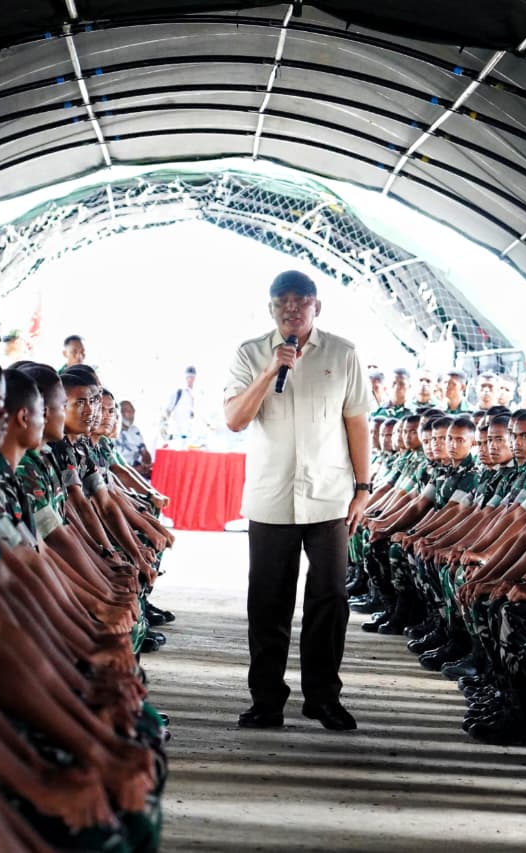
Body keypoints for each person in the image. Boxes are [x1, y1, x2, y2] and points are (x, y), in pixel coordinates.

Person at [225, 270, 376, 732]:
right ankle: (266, 700)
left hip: (330, 497)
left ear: (317, 306)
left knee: (329, 599)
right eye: (282, 303)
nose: (291, 310)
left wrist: (363, 488)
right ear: (270, 309)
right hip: (271, 497)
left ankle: (323, 697)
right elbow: (234, 419)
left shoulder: (344, 353)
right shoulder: (250, 354)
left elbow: (356, 424)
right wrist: (273, 369)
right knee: (268, 602)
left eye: (300, 302)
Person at [160, 366, 201, 443]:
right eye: (188, 377)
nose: (190, 380)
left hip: (188, 436)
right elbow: (166, 411)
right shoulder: (179, 392)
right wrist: (164, 430)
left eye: (192, 377)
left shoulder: (194, 395)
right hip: (175, 435)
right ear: (185, 378)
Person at [116, 399, 154, 478]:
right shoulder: (113, 432)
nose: (132, 414)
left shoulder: (135, 430)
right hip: (122, 472)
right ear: (120, 413)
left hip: (137, 468)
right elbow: (114, 466)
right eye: (128, 411)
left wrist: (146, 463)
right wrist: (135, 470)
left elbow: (145, 453)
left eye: (132, 410)